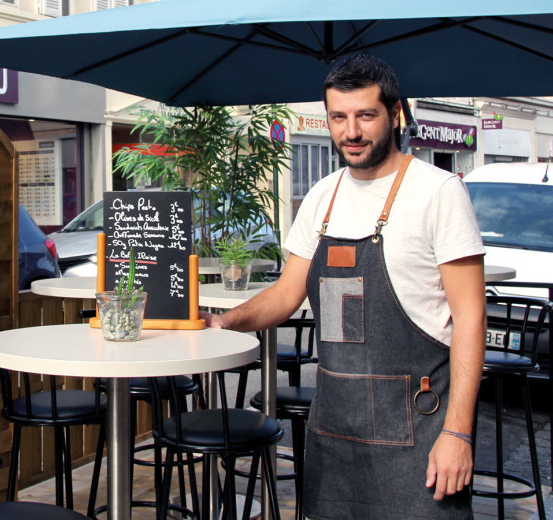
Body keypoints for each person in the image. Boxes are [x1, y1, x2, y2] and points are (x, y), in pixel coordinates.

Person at [203, 54, 486, 519]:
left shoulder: (439, 192)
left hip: (419, 428)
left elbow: (471, 319)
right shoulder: (322, 195)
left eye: (365, 115)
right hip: (335, 429)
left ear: (395, 114)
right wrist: (225, 321)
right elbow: (285, 294)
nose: (350, 132)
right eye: (339, 117)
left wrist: (458, 433)